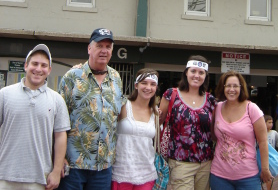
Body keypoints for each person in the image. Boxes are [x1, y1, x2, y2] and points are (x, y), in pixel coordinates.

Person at [58, 28, 126, 190]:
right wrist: (58, 159)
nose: (104, 50)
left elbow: (117, 114)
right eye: (99, 45)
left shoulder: (116, 78)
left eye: (108, 47)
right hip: (74, 164)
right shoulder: (72, 76)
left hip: (103, 166)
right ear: (89, 48)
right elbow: (58, 120)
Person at [0, 44, 70, 190]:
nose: (38, 69)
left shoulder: (57, 100)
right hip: (5, 175)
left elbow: (60, 137)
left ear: (49, 70)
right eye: (35, 64)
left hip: (39, 178)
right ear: (26, 66)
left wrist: (56, 171)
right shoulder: (5, 95)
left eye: (44, 65)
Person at [159, 55, 216, 190]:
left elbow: (216, 130)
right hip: (180, 163)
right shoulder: (171, 94)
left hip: (205, 163)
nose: (197, 75)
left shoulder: (211, 100)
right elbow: (158, 123)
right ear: (186, 73)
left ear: (205, 76)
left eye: (201, 73)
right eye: (193, 71)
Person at [210, 71, 273, 189]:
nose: (231, 89)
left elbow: (263, 141)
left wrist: (265, 168)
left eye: (235, 86)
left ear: (241, 88)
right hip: (219, 175)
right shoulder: (217, 108)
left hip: (248, 176)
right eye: (228, 86)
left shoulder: (252, 109)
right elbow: (214, 136)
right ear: (223, 88)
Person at [112, 68, 159, 190]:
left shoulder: (156, 113)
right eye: (144, 83)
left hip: (146, 173)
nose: (148, 87)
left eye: (152, 84)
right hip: (122, 172)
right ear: (136, 85)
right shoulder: (122, 106)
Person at [264, 115, 278, 190]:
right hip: (262, 155)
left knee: (270, 173)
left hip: (271, 156)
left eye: (272, 122)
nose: (271, 124)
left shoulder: (274, 133)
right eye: (269, 122)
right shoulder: (261, 133)